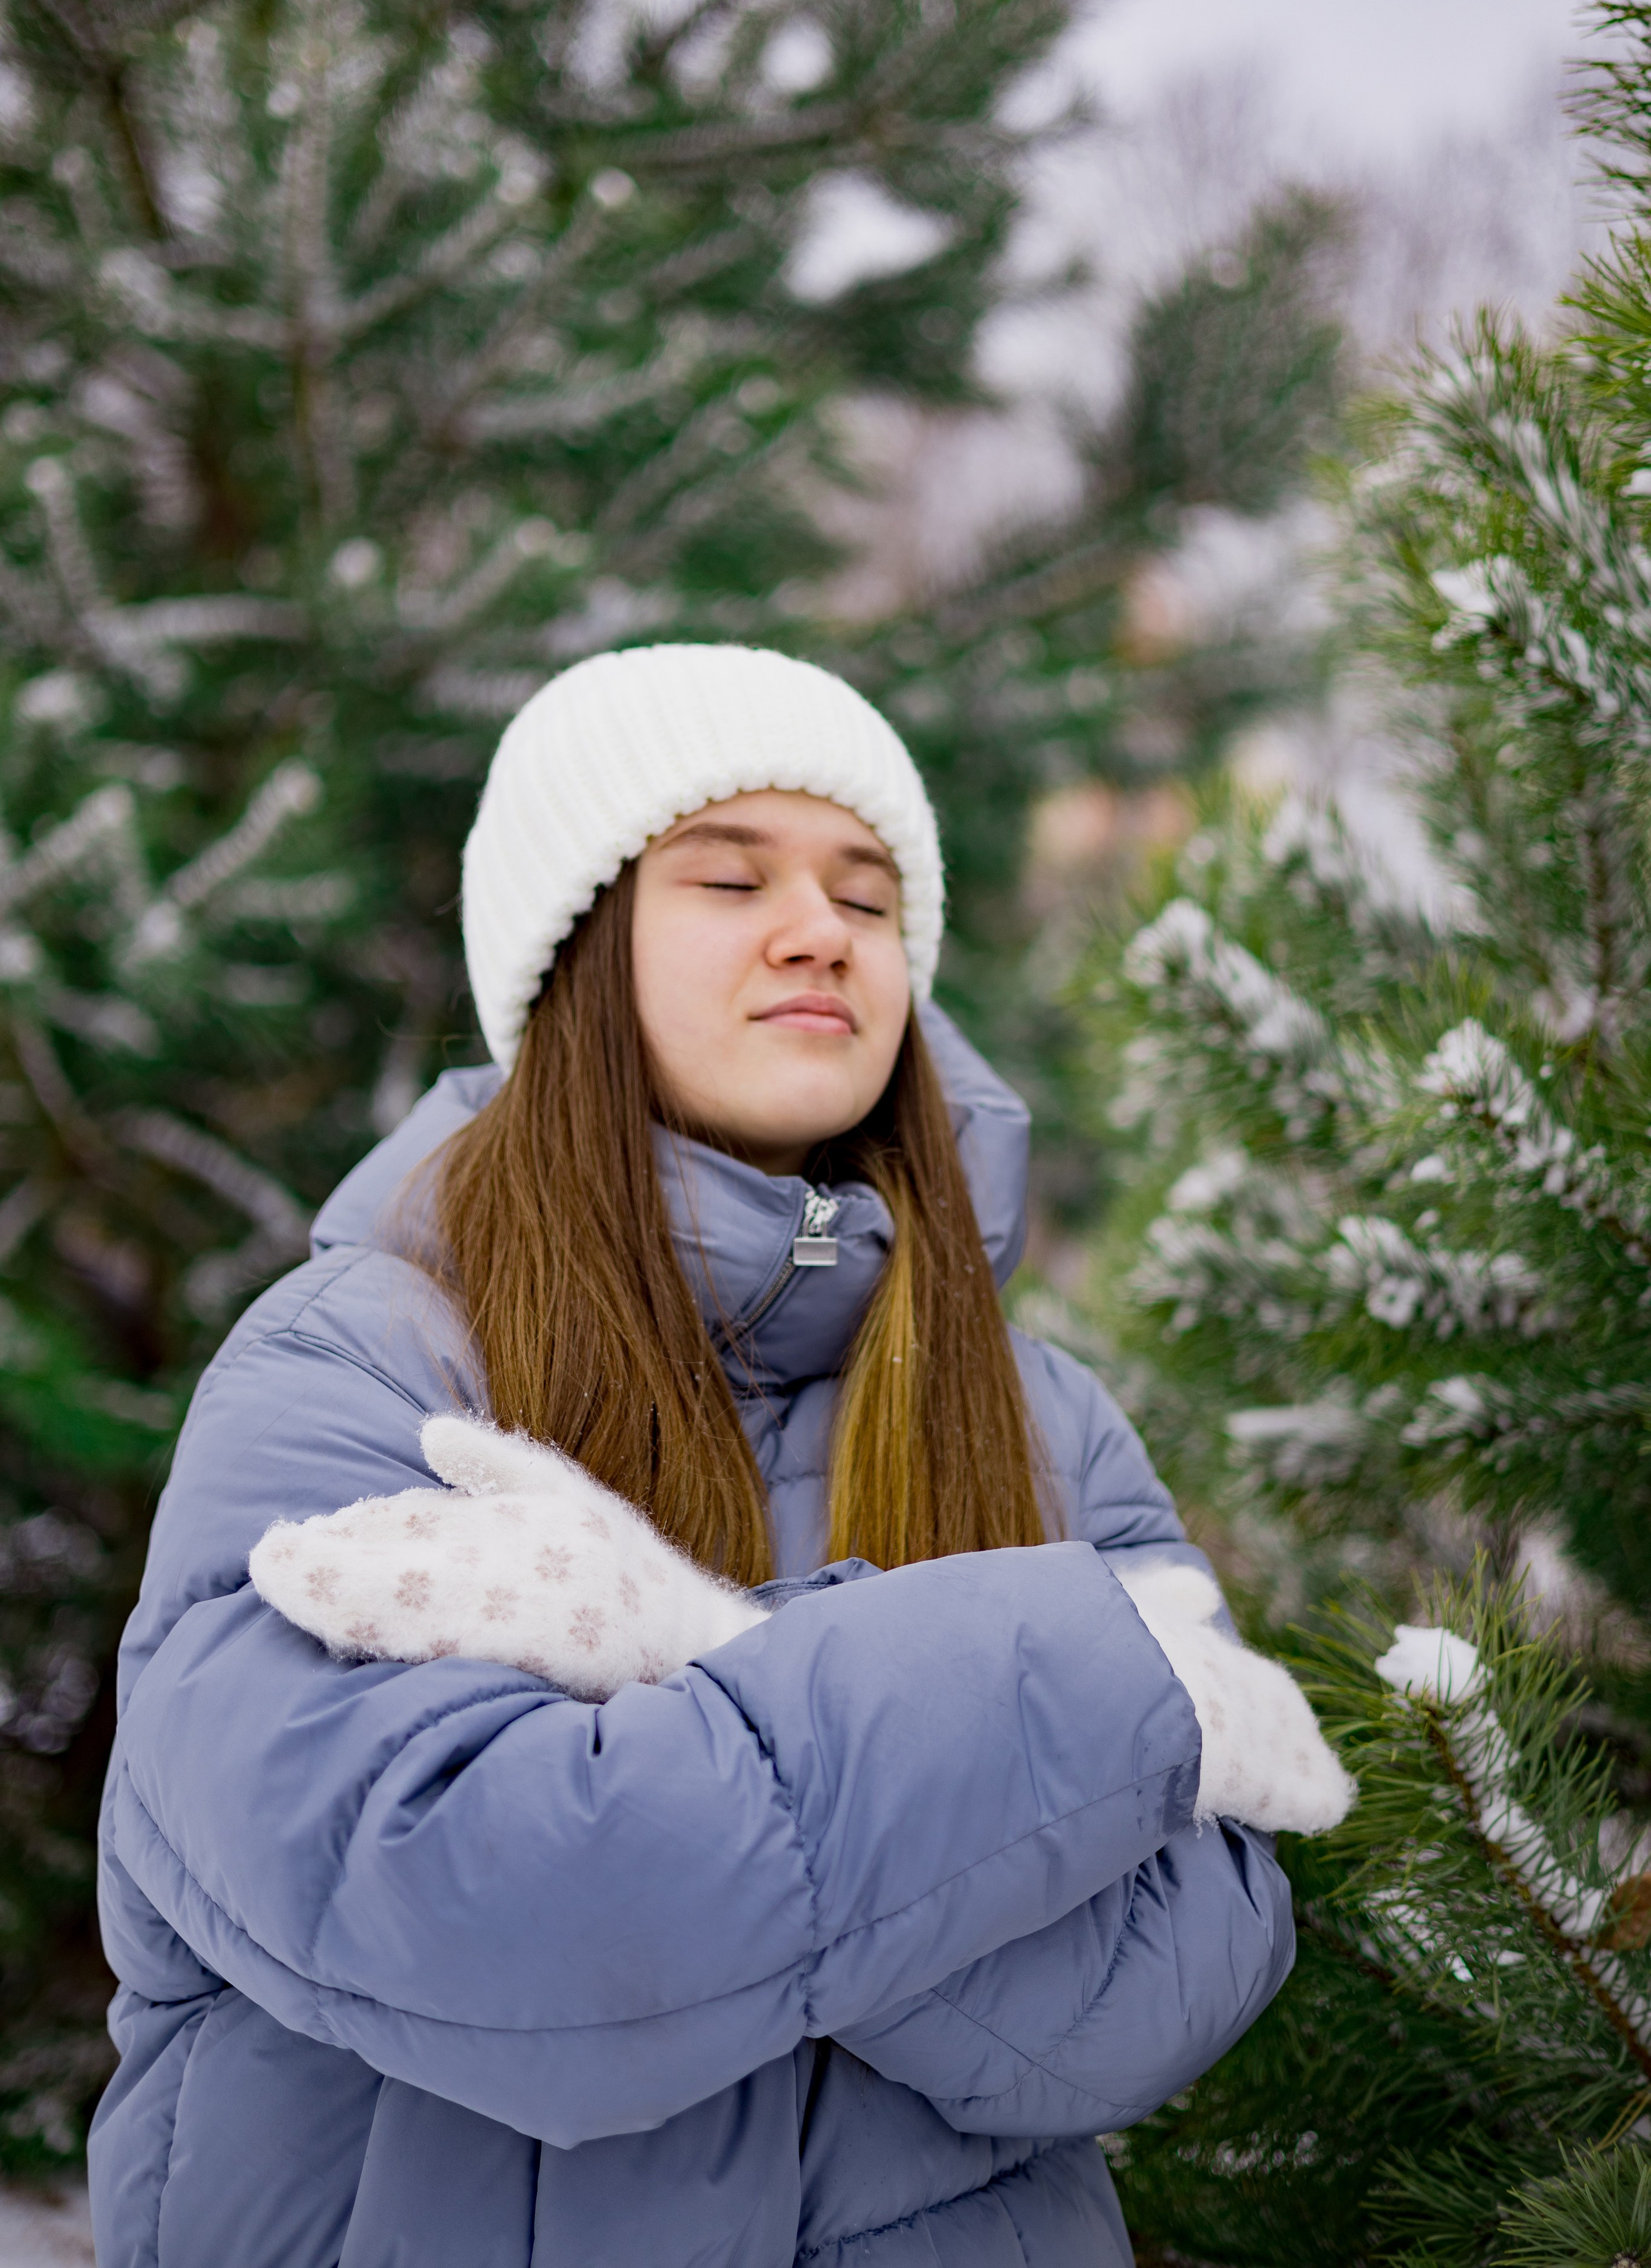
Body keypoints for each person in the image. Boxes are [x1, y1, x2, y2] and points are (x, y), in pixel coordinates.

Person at [89, 644, 1349, 2268]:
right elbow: (511, 1920)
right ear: (573, 947)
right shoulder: (353, 1369)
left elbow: (1159, 1993)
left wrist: (679, 1650)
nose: (821, 930)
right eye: (730, 877)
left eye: (867, 896)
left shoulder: (1040, 1422)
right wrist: (1065, 1711)